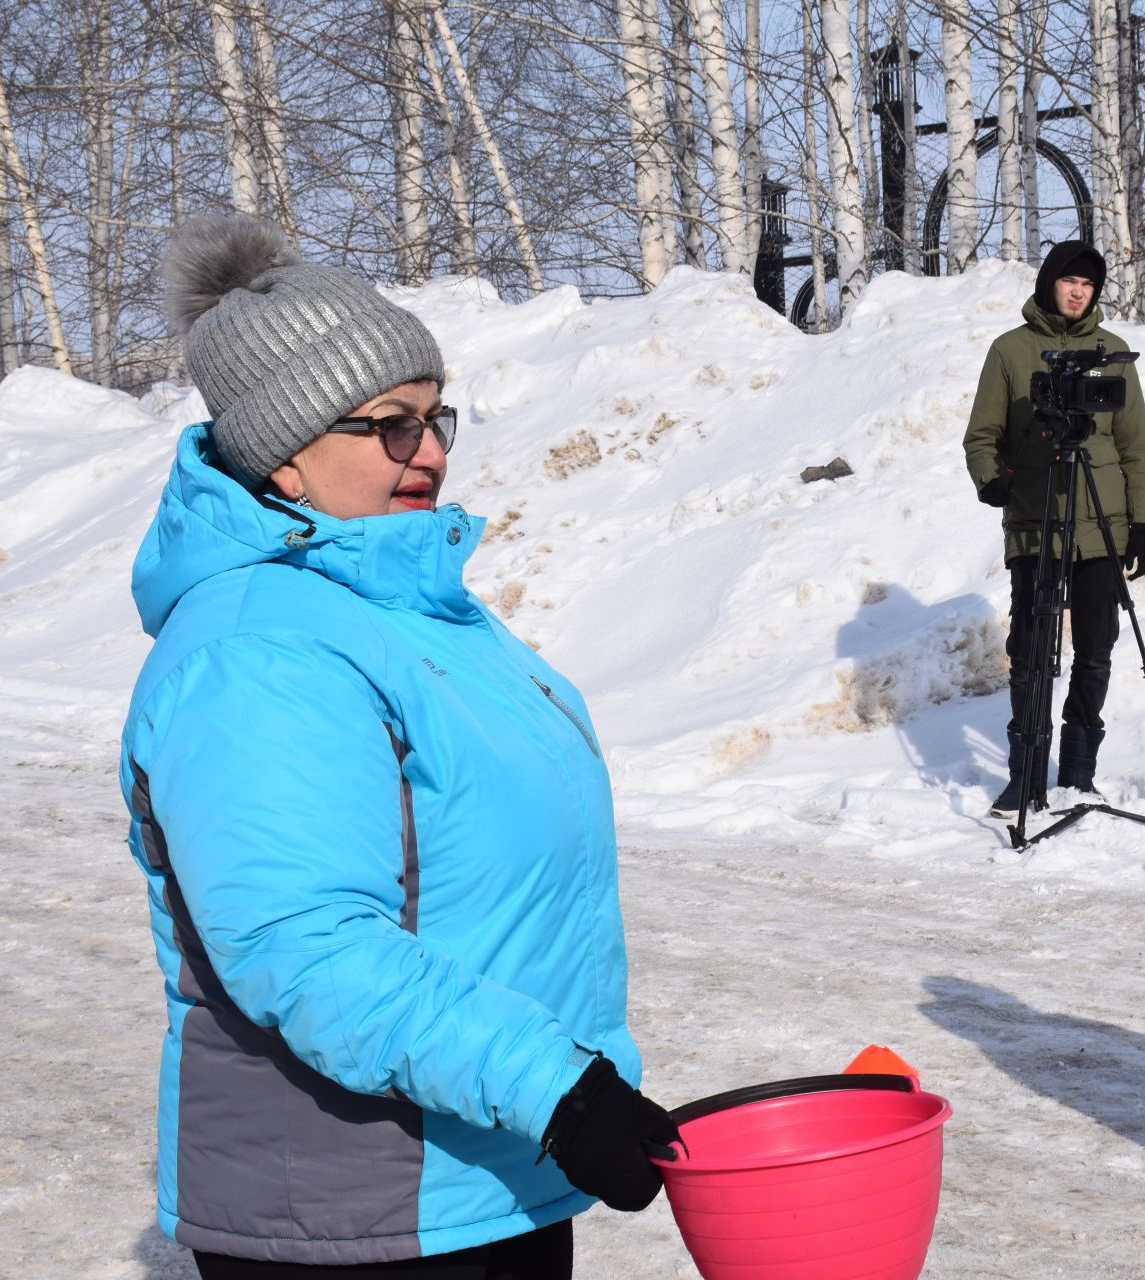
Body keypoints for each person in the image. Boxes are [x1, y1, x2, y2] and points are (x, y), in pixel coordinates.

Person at [118, 211, 676, 1279]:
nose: (425, 451)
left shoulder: (409, 607)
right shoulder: (256, 652)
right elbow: (307, 944)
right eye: (386, 424)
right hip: (358, 1215)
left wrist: (557, 1091)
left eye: (434, 418)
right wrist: (557, 1087)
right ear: (283, 451)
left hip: (481, 1167)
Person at [962, 240, 1145, 815]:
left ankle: (1077, 772)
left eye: (1089, 285)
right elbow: (981, 436)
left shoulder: (1112, 352)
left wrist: (1141, 524)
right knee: (1032, 652)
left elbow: (1134, 446)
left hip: (1103, 523)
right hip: (1035, 518)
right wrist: (990, 479)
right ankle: (1026, 776)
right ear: (1050, 283)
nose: (1078, 292)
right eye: (1070, 281)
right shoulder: (1010, 351)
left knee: (1096, 649)